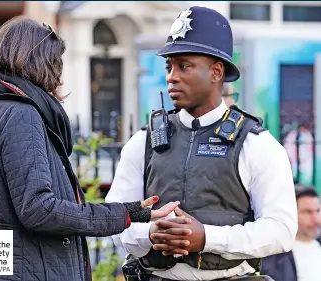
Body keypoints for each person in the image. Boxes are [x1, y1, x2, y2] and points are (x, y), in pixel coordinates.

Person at [0, 17, 180, 281]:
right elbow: (39, 210)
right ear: (38, 65)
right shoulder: (18, 113)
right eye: (55, 66)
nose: (59, 80)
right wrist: (125, 213)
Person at [105, 6, 297, 281]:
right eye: (169, 66)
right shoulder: (143, 141)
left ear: (216, 72)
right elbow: (115, 220)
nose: (172, 76)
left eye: (184, 66)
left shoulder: (257, 145)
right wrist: (150, 233)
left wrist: (207, 237)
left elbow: (281, 230)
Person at [261, 186, 321, 281]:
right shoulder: (274, 255)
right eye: (307, 212)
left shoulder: (318, 246)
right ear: (291, 214)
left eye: (317, 211)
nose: (316, 220)